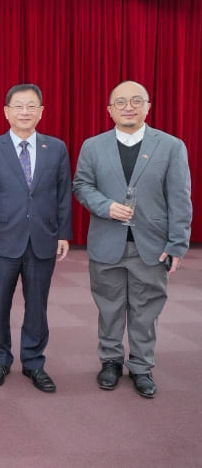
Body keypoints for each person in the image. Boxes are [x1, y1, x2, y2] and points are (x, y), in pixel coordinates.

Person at [73, 80, 192, 399]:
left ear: (148, 107)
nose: (129, 106)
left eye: (136, 101)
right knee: (109, 307)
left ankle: (141, 366)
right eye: (121, 102)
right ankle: (110, 361)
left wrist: (177, 243)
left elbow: (180, 197)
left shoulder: (171, 146)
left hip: (151, 247)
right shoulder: (93, 146)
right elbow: (81, 186)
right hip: (106, 242)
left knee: (146, 309)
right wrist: (105, 206)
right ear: (110, 109)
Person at [0, 83, 71, 393]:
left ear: (42, 112)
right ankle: (0, 360)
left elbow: (63, 195)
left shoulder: (56, 148)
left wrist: (63, 233)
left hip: (43, 238)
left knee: (37, 306)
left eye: (32, 106)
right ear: (6, 112)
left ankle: (33, 362)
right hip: (2, 239)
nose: (25, 112)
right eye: (19, 106)